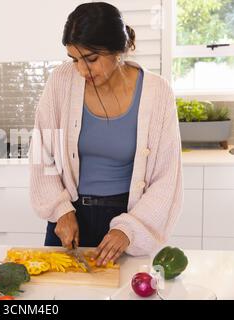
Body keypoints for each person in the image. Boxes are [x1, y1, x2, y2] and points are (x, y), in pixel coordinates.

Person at [29, 2, 183, 267]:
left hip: (127, 225)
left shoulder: (157, 93)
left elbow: (166, 177)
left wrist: (129, 229)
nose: (81, 70)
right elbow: (42, 150)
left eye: (91, 59)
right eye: (74, 59)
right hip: (70, 218)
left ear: (118, 50)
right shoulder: (62, 81)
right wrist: (60, 210)